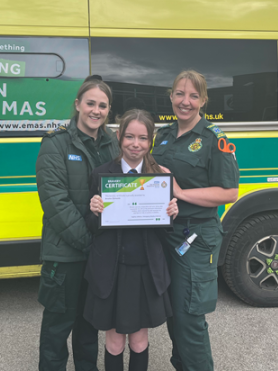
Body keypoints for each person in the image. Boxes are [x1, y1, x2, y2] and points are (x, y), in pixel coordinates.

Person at [152, 70, 240, 371]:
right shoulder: (161, 136)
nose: (184, 101)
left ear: (203, 100)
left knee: (189, 316)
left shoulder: (214, 138)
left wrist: (179, 191)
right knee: (174, 313)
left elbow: (229, 192)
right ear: (171, 96)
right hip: (164, 233)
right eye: (179, 94)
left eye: (192, 95)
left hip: (195, 237)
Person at [84, 109, 179, 371]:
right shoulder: (101, 174)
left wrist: (171, 214)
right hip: (110, 270)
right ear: (118, 137)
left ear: (151, 141)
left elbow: (163, 231)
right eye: (129, 137)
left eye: (143, 138)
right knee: (114, 342)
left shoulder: (160, 176)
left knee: (139, 341)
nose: (135, 144)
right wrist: (94, 211)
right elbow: (92, 227)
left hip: (145, 270)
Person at [36, 76, 120, 371]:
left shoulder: (113, 144)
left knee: (89, 325)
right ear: (77, 105)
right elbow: (55, 203)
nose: (96, 111)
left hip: (97, 254)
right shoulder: (55, 144)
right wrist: (90, 242)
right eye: (90, 103)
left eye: (103, 106)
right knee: (58, 326)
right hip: (66, 254)